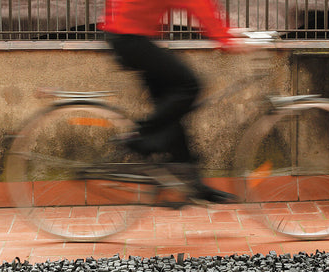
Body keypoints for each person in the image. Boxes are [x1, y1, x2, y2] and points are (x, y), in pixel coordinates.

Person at [99, 0, 238, 203]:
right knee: (190, 86)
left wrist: (227, 33)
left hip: (130, 35)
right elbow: (197, 4)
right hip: (130, 37)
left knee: (171, 109)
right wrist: (225, 38)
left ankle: (192, 184)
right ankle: (139, 138)